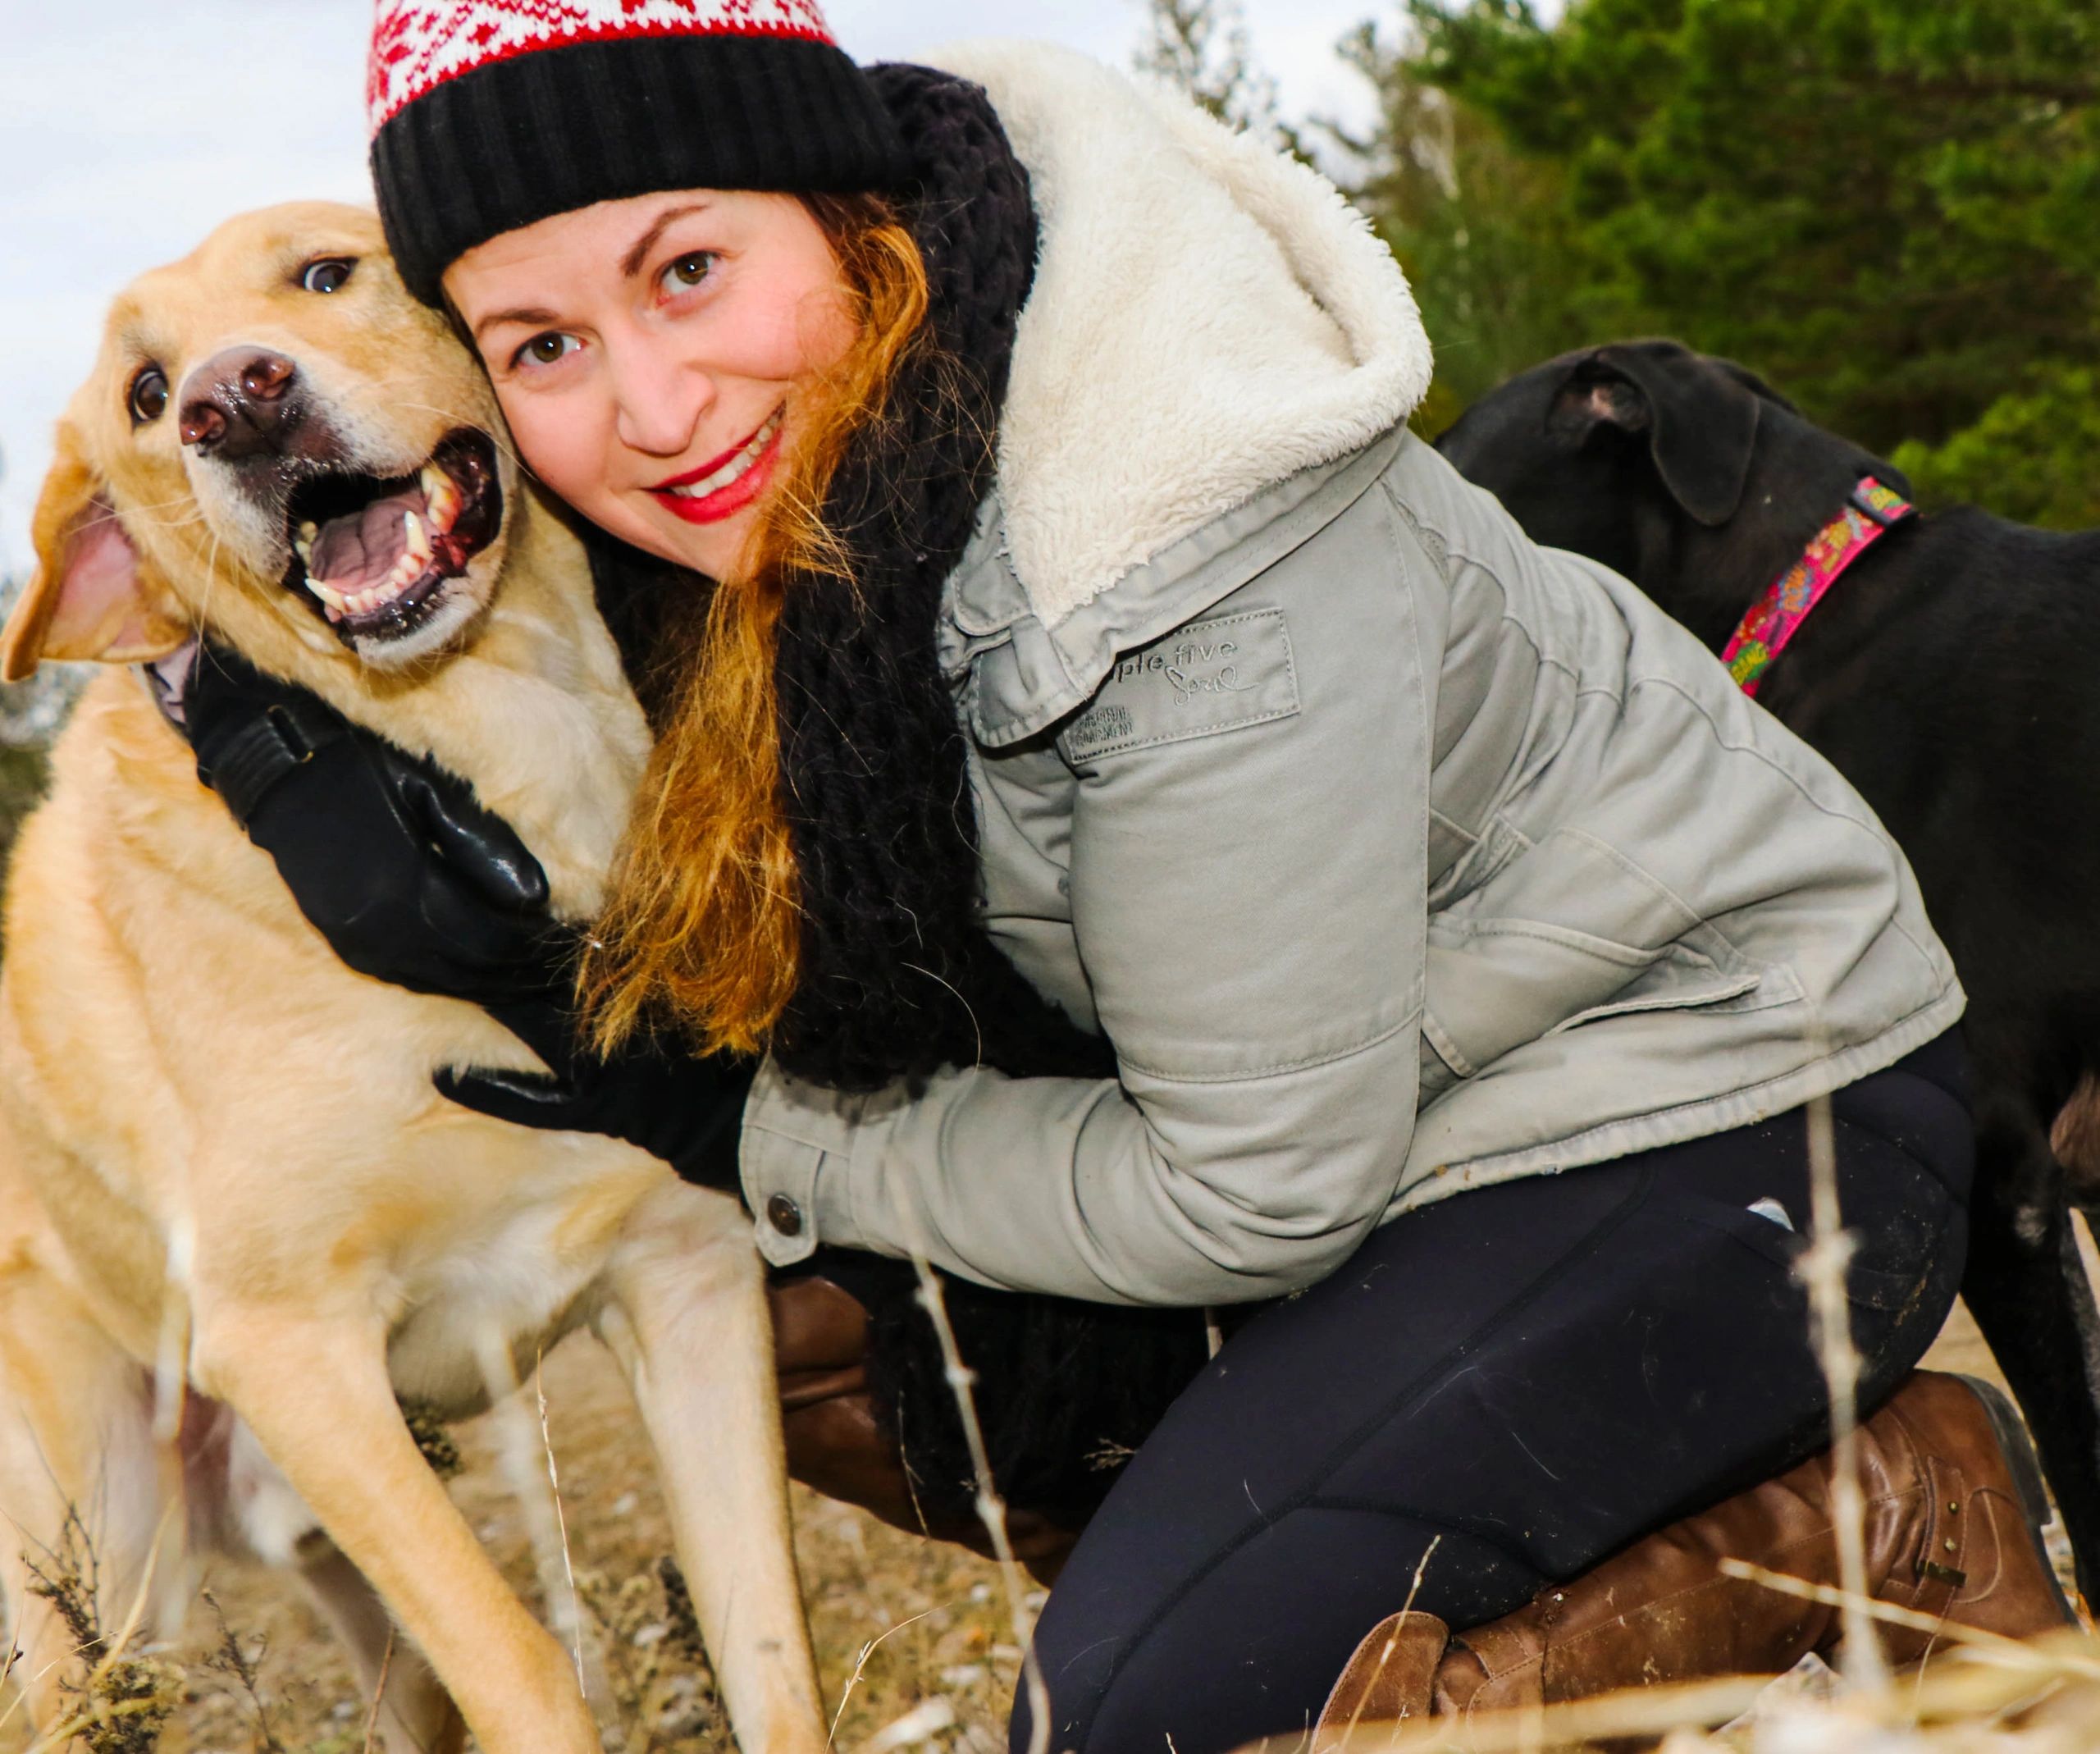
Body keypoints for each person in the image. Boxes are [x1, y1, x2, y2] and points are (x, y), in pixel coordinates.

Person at [179, 4, 2070, 1750]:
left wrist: (763, 1132)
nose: (655, 408)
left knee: (1139, 1723)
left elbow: (1242, 1191)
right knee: (815, 1332)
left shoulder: (1169, 538)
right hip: (1410, 1122)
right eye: (544, 348)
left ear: (843, 216)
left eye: (688, 268)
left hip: (1731, 1105)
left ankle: (1870, 1523)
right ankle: (1377, 1541)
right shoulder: (794, 525)